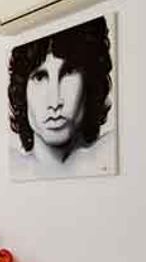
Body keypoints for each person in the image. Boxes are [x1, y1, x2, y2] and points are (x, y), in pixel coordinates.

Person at [7, 16, 113, 179]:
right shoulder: (9, 166)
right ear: (22, 91)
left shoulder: (112, 149)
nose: (54, 102)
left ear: (90, 82)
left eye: (69, 72)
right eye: (40, 77)